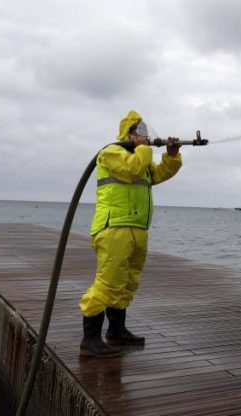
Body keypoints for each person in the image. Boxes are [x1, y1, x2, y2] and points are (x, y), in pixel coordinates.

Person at [79, 110, 182, 357]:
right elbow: (131, 170)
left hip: (136, 229)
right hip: (114, 228)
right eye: (140, 132)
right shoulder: (111, 152)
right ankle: (90, 340)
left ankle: (116, 330)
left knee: (127, 282)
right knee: (108, 283)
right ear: (129, 133)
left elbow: (157, 174)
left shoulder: (140, 157)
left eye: (145, 132)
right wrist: (144, 149)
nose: (144, 137)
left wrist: (171, 155)